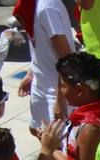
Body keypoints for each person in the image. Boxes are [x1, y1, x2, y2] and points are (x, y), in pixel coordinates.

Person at [15, 0, 76, 130]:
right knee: (36, 130)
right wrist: (31, 73)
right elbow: (39, 44)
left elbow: (67, 58)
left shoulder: (47, 9)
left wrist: (61, 100)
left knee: (58, 143)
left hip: (55, 91)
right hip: (40, 85)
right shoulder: (30, 5)